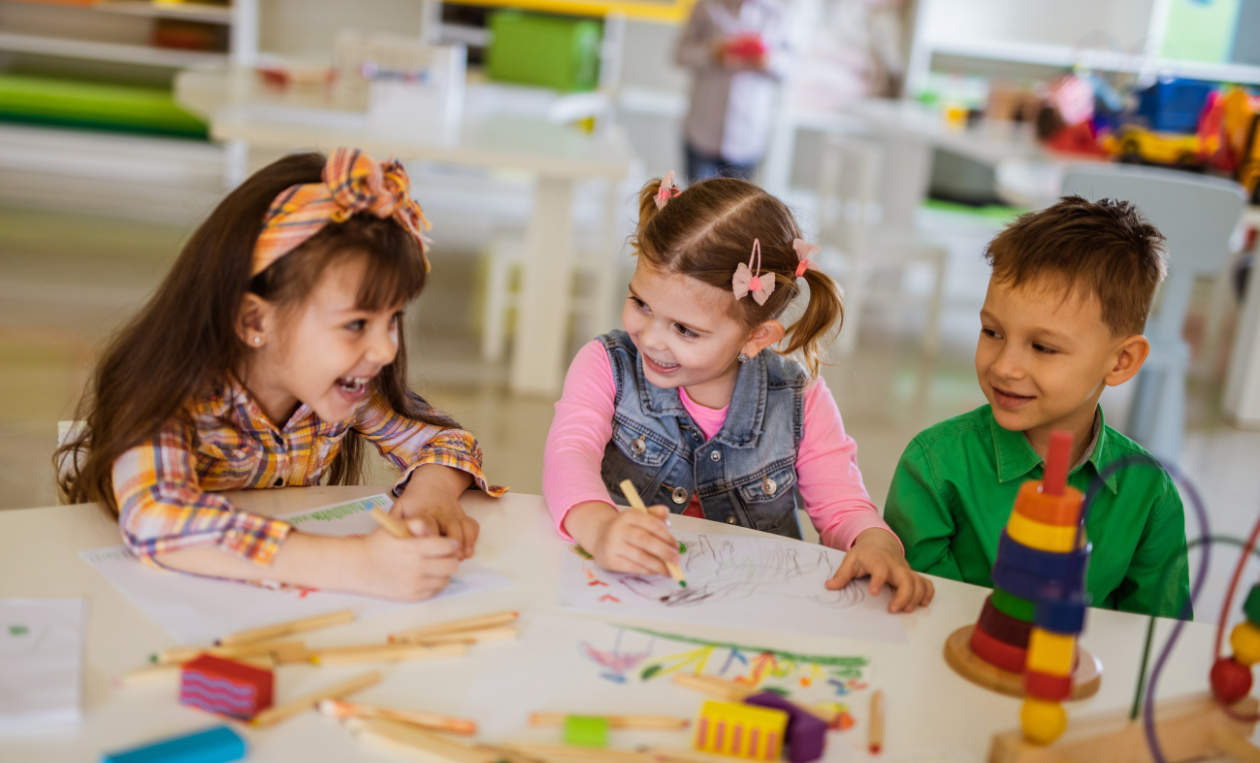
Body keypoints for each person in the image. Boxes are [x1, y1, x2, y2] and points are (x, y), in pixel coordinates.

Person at [57, 149, 504, 601]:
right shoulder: (166, 392)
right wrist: (358, 565)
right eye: (356, 324)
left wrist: (434, 495)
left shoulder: (348, 388)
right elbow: (158, 516)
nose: (388, 348)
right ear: (255, 322)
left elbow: (445, 441)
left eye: (392, 319)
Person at [543, 173, 935, 613]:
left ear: (756, 337)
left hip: (752, 611)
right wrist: (599, 528)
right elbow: (568, 455)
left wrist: (875, 543)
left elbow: (842, 506)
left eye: (685, 330)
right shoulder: (606, 364)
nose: (650, 339)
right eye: (641, 304)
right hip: (623, 596)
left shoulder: (800, 400)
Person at [884, 196, 1191, 618]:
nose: (1005, 366)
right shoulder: (935, 467)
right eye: (991, 332)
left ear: (1121, 362)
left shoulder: (1149, 496)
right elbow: (917, 614)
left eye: (1043, 347)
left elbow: (1153, 638)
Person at [675, 0, 790, 183]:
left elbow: (793, 67)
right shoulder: (707, 6)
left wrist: (768, 61)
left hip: (747, 138)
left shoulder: (778, 12)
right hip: (702, 132)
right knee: (699, 209)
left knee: (739, 210)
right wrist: (713, 53)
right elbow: (679, 53)